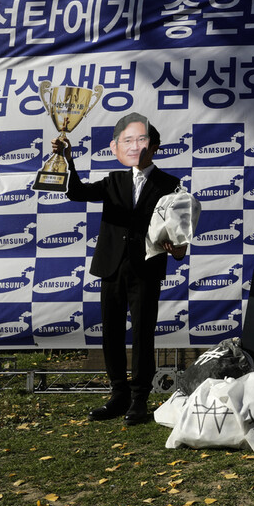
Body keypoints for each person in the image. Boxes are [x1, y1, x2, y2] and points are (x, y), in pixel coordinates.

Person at [52, 112, 186, 425]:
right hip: (111, 266)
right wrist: (67, 160)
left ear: (154, 147)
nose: (135, 148)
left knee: (142, 334)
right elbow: (77, 192)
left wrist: (178, 248)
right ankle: (118, 394)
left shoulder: (170, 185)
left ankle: (139, 399)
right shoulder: (113, 180)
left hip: (147, 268)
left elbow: (178, 232)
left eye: (141, 142)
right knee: (110, 332)